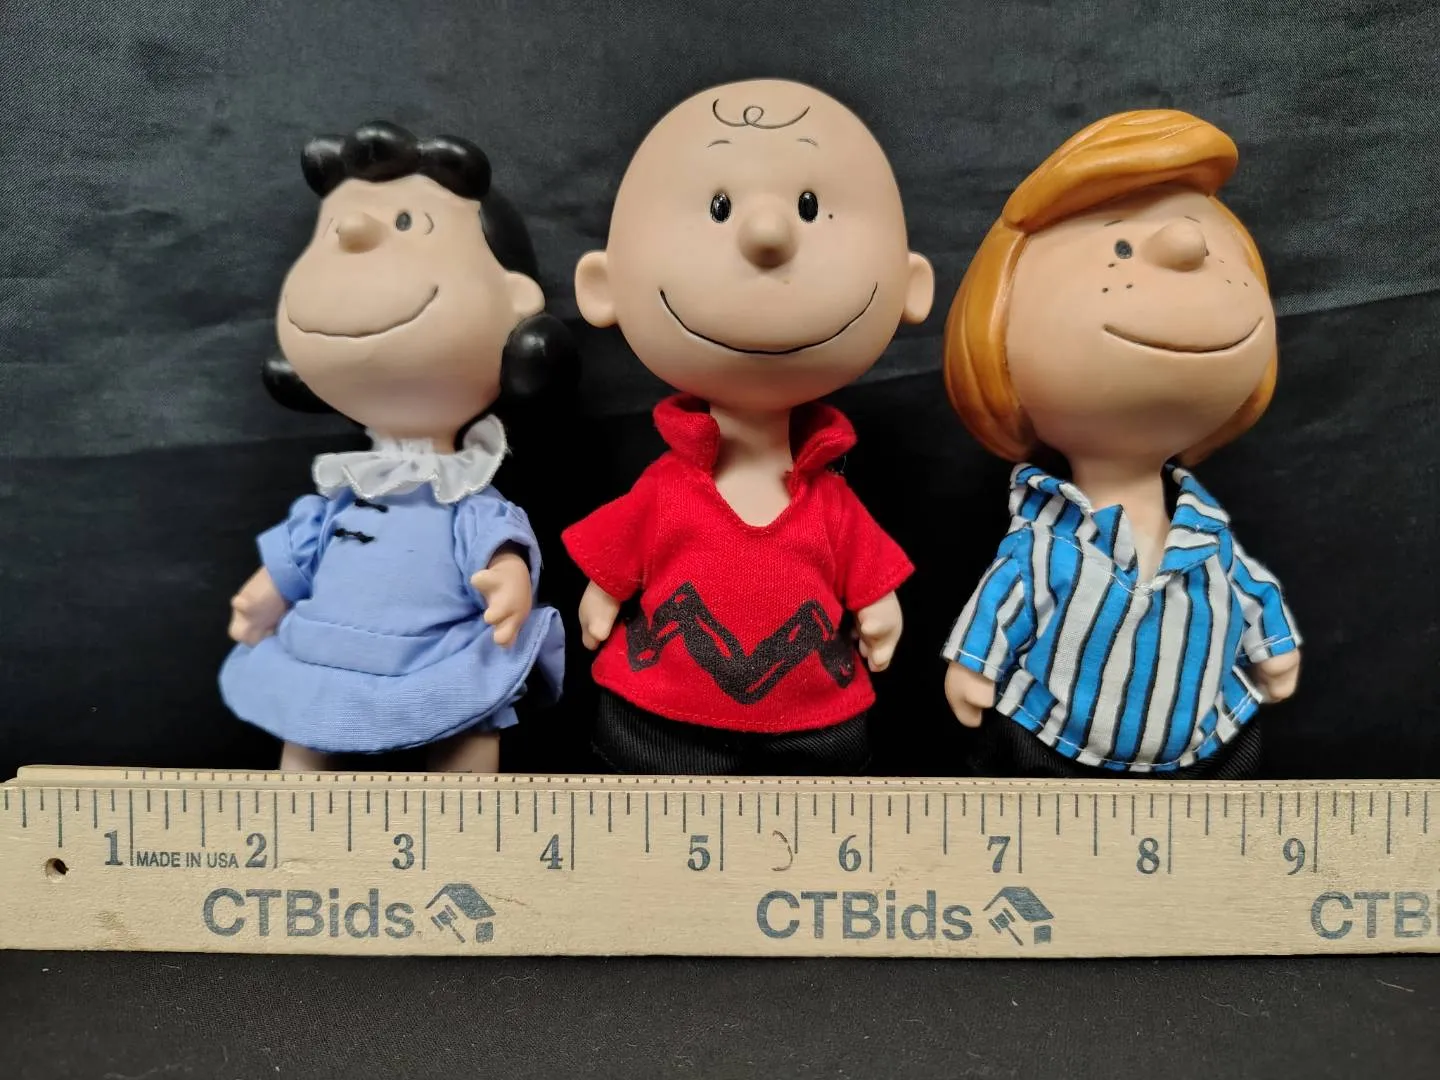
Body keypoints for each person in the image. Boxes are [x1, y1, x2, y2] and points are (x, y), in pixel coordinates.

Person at [563, 79, 934, 774]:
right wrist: (602, 592)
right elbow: (621, 549)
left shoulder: (829, 502)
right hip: (661, 721)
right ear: (601, 287)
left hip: (813, 728)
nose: (767, 234)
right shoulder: (665, 489)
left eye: (809, 206)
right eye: (719, 207)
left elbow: (864, 565)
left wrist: (879, 606)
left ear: (912, 286)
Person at [941, 109, 1301, 778]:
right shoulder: (1045, 544)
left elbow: (1248, 591)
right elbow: (1006, 598)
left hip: (1207, 747)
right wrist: (973, 666)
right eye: (1122, 248)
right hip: (1054, 746)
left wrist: (1274, 646)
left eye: (1213, 242)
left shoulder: (1208, 536)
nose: (1186, 245)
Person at [220, 121, 572, 772]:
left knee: (470, 719)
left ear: (516, 304)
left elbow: (494, 541)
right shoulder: (339, 496)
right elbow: (301, 551)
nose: (356, 233)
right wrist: (266, 591)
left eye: (407, 223)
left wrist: (508, 582)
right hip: (325, 654)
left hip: (437, 654)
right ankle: (295, 814)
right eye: (336, 229)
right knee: (306, 726)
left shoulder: (465, 496)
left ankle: (466, 813)